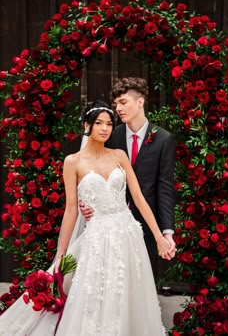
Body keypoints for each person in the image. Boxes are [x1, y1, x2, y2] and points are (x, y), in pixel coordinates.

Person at [0, 101, 169, 335]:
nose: (105, 129)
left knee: (128, 294)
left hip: (127, 233)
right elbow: (71, 210)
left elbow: (139, 199)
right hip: (97, 237)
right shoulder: (73, 162)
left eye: (109, 124)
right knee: (97, 294)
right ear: (87, 125)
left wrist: (159, 237)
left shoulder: (119, 155)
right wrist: (61, 254)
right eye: (99, 123)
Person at [80, 78, 177, 278]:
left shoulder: (163, 139)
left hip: (147, 225)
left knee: (142, 282)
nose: (118, 108)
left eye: (123, 102)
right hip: (110, 226)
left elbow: (165, 188)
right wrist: (86, 202)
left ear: (140, 102)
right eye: (116, 104)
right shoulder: (110, 135)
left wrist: (166, 232)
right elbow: (91, 171)